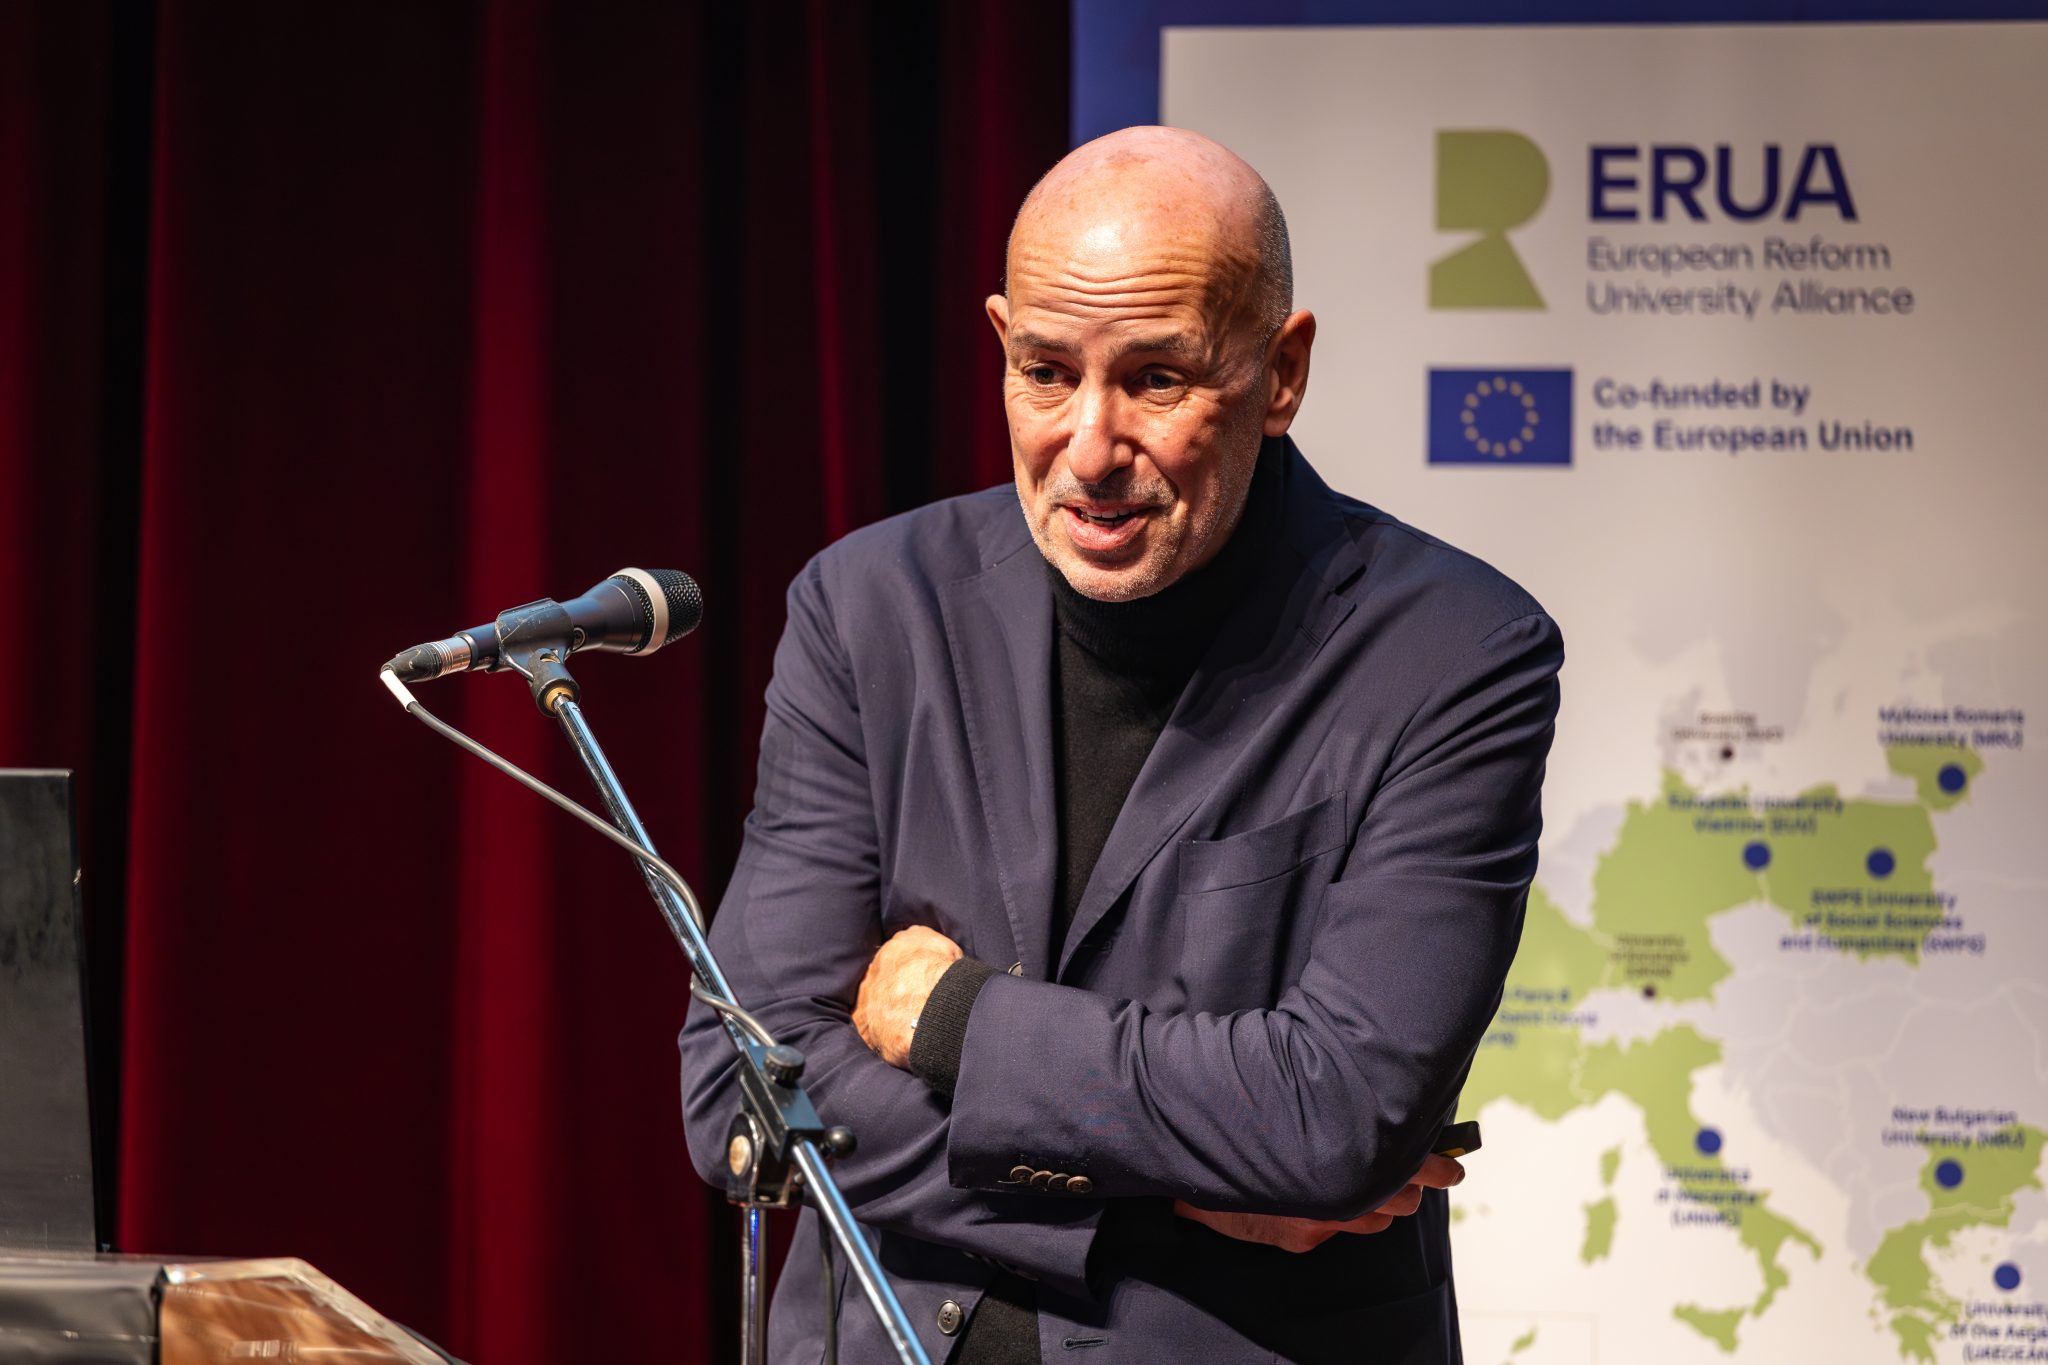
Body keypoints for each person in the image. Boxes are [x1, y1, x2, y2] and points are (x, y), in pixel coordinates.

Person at [680, 126, 1563, 1364]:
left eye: (1155, 380)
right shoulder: (869, 607)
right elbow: (744, 1093)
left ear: (1281, 372)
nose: (1088, 450)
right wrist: (1172, 1197)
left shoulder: (1455, 651)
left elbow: (1338, 1117)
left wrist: (954, 1021)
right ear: (999, 343)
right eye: (1044, 372)